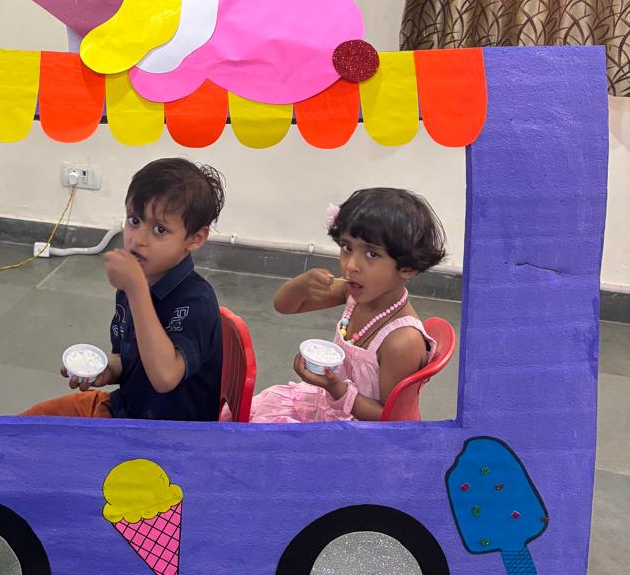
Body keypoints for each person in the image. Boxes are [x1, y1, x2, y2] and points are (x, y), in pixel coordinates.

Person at [22, 158, 225, 421]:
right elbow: (128, 359)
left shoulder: (196, 301)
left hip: (168, 434)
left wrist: (136, 290)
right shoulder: (134, 284)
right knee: (26, 424)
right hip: (126, 410)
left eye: (160, 229)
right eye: (134, 220)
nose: (138, 239)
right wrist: (108, 370)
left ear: (195, 239)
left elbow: (165, 377)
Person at [248, 187, 446, 423]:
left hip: (358, 434)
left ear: (408, 267)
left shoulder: (401, 341)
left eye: (371, 254)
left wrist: (337, 389)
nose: (350, 265)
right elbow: (284, 306)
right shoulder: (353, 292)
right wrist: (300, 286)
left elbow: (393, 420)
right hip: (326, 405)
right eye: (347, 248)